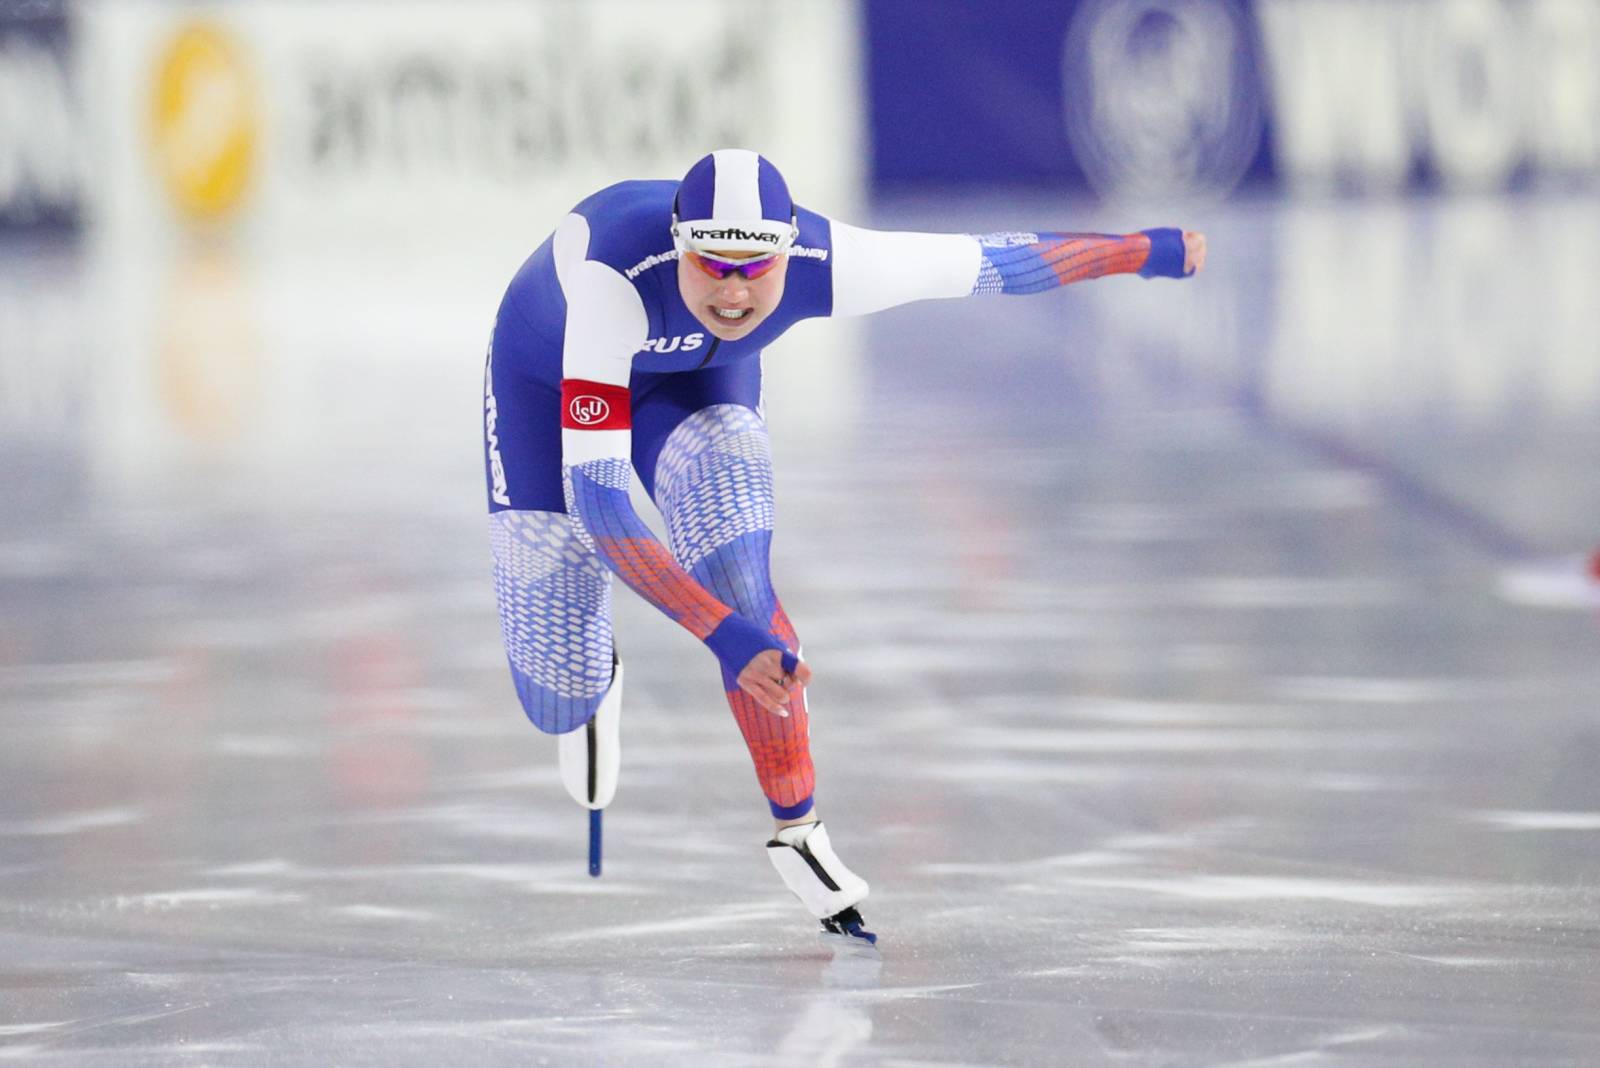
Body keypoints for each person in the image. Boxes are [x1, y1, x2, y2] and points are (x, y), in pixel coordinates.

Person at [483, 149, 1205, 946]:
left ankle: (800, 831)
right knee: (559, 695)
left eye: (755, 268)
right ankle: (591, 682)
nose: (732, 293)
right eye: (710, 266)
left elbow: (1005, 260)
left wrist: (1148, 251)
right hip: (543, 386)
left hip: (696, 391)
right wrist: (718, 633)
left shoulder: (836, 262)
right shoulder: (612, 285)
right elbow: (604, 504)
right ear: (680, 248)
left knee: (744, 582)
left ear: (789, 252)